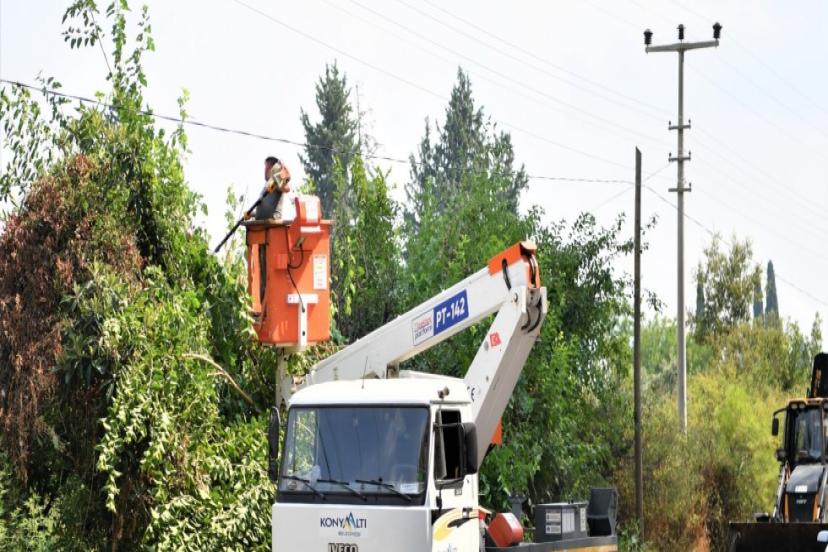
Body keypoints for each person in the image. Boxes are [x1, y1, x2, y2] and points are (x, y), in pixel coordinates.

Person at [255, 156, 292, 220]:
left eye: (266, 167)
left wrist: (283, 170)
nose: (265, 171)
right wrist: (251, 214)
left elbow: (287, 188)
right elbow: (264, 209)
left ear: (272, 168)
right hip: (262, 225)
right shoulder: (267, 185)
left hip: (272, 224)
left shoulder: (276, 181)